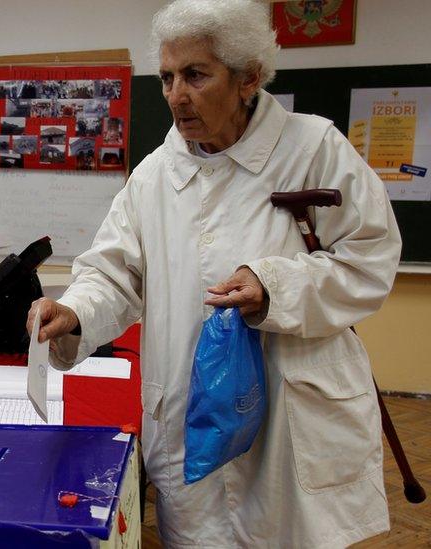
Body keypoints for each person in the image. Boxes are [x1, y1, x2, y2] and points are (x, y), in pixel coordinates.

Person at [28, 1, 401, 546]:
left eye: (196, 75)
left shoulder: (315, 147)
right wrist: (75, 310)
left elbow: (368, 258)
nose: (176, 94)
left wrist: (274, 286)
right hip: (186, 413)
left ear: (248, 76)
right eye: (166, 77)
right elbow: (113, 273)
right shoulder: (155, 174)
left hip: (292, 414)